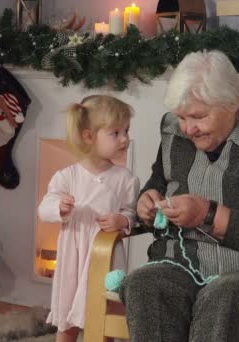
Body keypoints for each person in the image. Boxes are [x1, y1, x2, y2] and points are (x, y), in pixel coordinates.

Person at [120, 50, 239, 342]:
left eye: (198, 116)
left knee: (224, 296)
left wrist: (208, 215)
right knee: (145, 284)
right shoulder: (175, 132)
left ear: (233, 102)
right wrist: (147, 202)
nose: (188, 128)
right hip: (181, 264)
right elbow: (158, 184)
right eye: (181, 116)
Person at [38, 95, 140, 342]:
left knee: (104, 312)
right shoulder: (67, 177)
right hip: (74, 253)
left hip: (106, 254)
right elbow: (44, 208)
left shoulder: (125, 179)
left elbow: (132, 214)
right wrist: (59, 207)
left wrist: (123, 221)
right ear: (88, 136)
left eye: (126, 131)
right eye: (115, 133)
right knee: (68, 312)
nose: (125, 138)